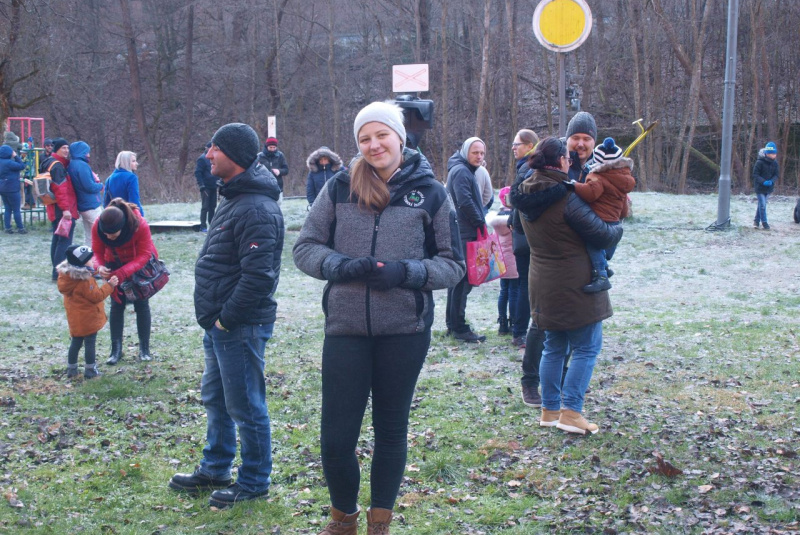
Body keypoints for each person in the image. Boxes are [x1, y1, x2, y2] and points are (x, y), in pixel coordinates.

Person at [293, 101, 464, 534]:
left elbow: (452, 264)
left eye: (381, 135)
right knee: (335, 438)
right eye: (364, 138)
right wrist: (339, 266)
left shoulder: (432, 192)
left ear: (400, 137)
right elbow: (305, 248)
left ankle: (379, 522)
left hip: (404, 331)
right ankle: (343, 518)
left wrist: (406, 273)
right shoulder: (338, 187)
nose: (373, 145)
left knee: (390, 430)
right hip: (346, 329)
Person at [169, 123, 284, 509]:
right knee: (218, 400)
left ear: (232, 155)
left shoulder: (256, 206)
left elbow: (258, 277)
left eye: (213, 148)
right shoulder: (234, 198)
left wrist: (226, 320)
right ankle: (215, 468)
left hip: (239, 325)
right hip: (220, 324)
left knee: (246, 405)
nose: (208, 155)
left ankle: (253, 481)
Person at [513, 137, 622, 435]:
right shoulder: (564, 196)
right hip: (575, 284)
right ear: (561, 161)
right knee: (587, 347)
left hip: (542, 281)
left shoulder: (524, 191)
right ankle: (572, 412)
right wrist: (619, 224)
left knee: (554, 346)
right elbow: (602, 235)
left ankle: (550, 410)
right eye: (567, 158)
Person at [92, 198, 158, 365]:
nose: (108, 237)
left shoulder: (139, 225)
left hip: (138, 266)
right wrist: (99, 266)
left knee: (141, 304)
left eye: (112, 234)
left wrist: (123, 272)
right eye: (105, 234)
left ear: (122, 227)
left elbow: (145, 254)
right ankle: (116, 350)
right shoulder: (98, 226)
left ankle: (144, 349)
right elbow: (97, 251)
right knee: (116, 305)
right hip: (113, 263)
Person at [568, 137, 635, 293]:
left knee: (593, 245)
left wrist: (575, 185)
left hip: (600, 220)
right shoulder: (623, 178)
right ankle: (605, 266)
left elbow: (591, 194)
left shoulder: (598, 176)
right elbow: (624, 208)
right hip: (614, 222)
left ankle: (602, 276)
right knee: (604, 247)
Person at [445, 137, 487, 343]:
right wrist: (480, 222)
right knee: (463, 282)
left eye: (482, 153)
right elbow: (464, 201)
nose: (479, 157)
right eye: (475, 152)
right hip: (465, 232)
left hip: (462, 231)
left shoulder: (462, 169)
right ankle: (459, 328)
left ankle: (452, 325)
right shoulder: (461, 171)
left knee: (457, 282)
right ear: (465, 152)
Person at [56, 244, 119, 379]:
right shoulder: (84, 281)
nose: (93, 260)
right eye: (90, 259)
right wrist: (110, 286)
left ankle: (71, 368)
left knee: (76, 342)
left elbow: (87, 273)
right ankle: (90, 369)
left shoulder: (68, 276)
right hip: (88, 319)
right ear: (83, 263)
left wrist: (96, 272)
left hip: (75, 318)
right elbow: (96, 296)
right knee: (90, 343)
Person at [42, 138, 78, 281]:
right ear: (56, 149)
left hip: (52, 207)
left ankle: (56, 272)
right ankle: (59, 274)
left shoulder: (47, 162)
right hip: (61, 209)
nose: (66, 151)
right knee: (64, 241)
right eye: (63, 148)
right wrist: (66, 210)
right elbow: (60, 189)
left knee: (57, 239)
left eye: (67, 148)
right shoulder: (57, 166)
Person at [487, 187, 518, 335]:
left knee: (503, 291)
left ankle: (502, 323)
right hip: (513, 259)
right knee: (514, 292)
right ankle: (513, 322)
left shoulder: (495, 219)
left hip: (500, 261)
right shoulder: (515, 218)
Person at [69, 141, 104, 246]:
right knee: (102, 232)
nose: (88, 155)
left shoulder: (72, 164)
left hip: (83, 205)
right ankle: (102, 259)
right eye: (86, 152)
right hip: (91, 204)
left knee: (89, 235)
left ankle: (88, 259)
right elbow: (89, 186)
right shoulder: (82, 166)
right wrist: (101, 185)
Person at [104, 151, 144, 215]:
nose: (137, 163)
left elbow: (106, 203)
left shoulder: (109, 179)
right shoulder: (131, 177)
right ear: (126, 162)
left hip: (115, 216)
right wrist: (140, 216)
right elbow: (134, 201)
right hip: (129, 215)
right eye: (133, 161)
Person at [0, 145, 28, 234]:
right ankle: (20, 228)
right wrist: (15, 156)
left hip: (2, 188)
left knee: (8, 208)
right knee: (16, 209)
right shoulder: (9, 163)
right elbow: (22, 166)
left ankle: (7, 228)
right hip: (12, 188)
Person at [565, 111, 597, 183]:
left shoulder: (602, 169)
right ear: (567, 140)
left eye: (586, 139)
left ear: (594, 142)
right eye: (575, 138)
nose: (580, 144)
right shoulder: (554, 167)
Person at [752, 141, 778, 230]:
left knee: (761, 205)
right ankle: (764, 223)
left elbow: (776, 175)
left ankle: (756, 221)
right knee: (762, 205)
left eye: (774, 153)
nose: (773, 155)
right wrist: (763, 182)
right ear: (767, 154)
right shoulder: (759, 162)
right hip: (760, 188)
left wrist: (771, 181)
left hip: (769, 188)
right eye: (771, 154)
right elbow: (755, 175)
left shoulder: (775, 163)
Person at [195, 142, 218, 232]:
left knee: (213, 206)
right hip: (206, 187)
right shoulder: (202, 159)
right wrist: (201, 185)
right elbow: (198, 172)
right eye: (210, 148)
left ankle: (212, 225)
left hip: (214, 186)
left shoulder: (214, 158)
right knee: (205, 207)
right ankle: (203, 226)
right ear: (207, 148)